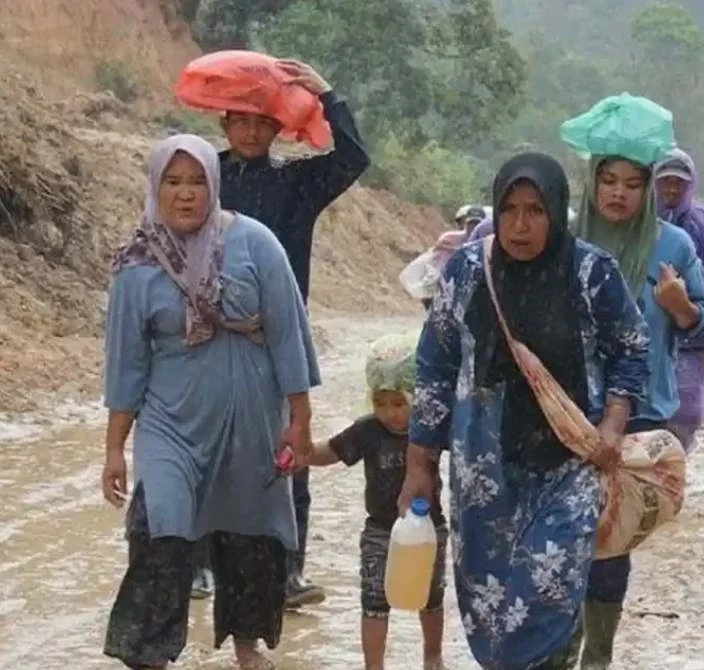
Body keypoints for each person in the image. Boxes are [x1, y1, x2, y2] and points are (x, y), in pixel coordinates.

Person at [398, 152, 651, 669]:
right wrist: (420, 464)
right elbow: (436, 366)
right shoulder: (468, 271)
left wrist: (614, 422)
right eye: (509, 209)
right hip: (482, 471)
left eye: (534, 210)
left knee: (551, 587)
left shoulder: (589, 273)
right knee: (491, 604)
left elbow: (631, 347)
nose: (519, 225)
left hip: (568, 463)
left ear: (556, 212)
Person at [100, 134, 320, 670]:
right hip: (170, 423)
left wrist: (300, 418)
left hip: (251, 419)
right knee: (163, 527)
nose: (185, 194)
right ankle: (148, 652)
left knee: (251, 532)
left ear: (213, 185)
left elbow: (289, 334)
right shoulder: (137, 266)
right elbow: (126, 364)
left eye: (197, 181)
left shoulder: (256, 244)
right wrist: (113, 449)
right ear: (156, 187)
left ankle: (248, 650)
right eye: (173, 182)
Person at [190, 57, 370, 608]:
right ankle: (200, 567)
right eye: (239, 120)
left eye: (260, 121)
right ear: (224, 123)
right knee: (205, 448)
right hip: (206, 336)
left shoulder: (298, 184)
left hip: (277, 339)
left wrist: (326, 93)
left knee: (288, 448)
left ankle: (288, 572)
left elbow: (354, 158)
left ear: (277, 127)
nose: (249, 131)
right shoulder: (203, 178)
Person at [572, 154, 704, 669]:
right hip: (569, 410)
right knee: (564, 535)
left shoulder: (673, 245)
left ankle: (598, 656)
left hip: (639, 411)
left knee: (611, 541)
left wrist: (678, 303)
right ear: (590, 184)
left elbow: (702, 324)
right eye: (607, 181)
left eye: (633, 184)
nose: (619, 193)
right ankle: (560, 649)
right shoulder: (565, 239)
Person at [309, 332, 447, 670]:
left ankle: (432, 657)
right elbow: (332, 451)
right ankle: (374, 665)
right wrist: (302, 453)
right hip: (380, 531)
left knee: (431, 596)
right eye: (380, 403)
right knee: (373, 599)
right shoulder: (367, 431)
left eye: (399, 403)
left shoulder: (429, 429)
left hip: (429, 528)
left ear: (415, 396)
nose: (389, 413)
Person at [653, 148, 704, 452]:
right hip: (650, 327)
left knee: (686, 411)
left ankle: (675, 463)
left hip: (691, 331)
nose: (672, 189)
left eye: (679, 182)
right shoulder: (642, 222)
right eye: (665, 181)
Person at [416, 205, 489, 310]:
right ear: (464, 224)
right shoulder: (450, 238)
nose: (473, 227)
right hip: (448, 279)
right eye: (470, 223)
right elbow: (436, 254)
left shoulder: (486, 242)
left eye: (477, 224)